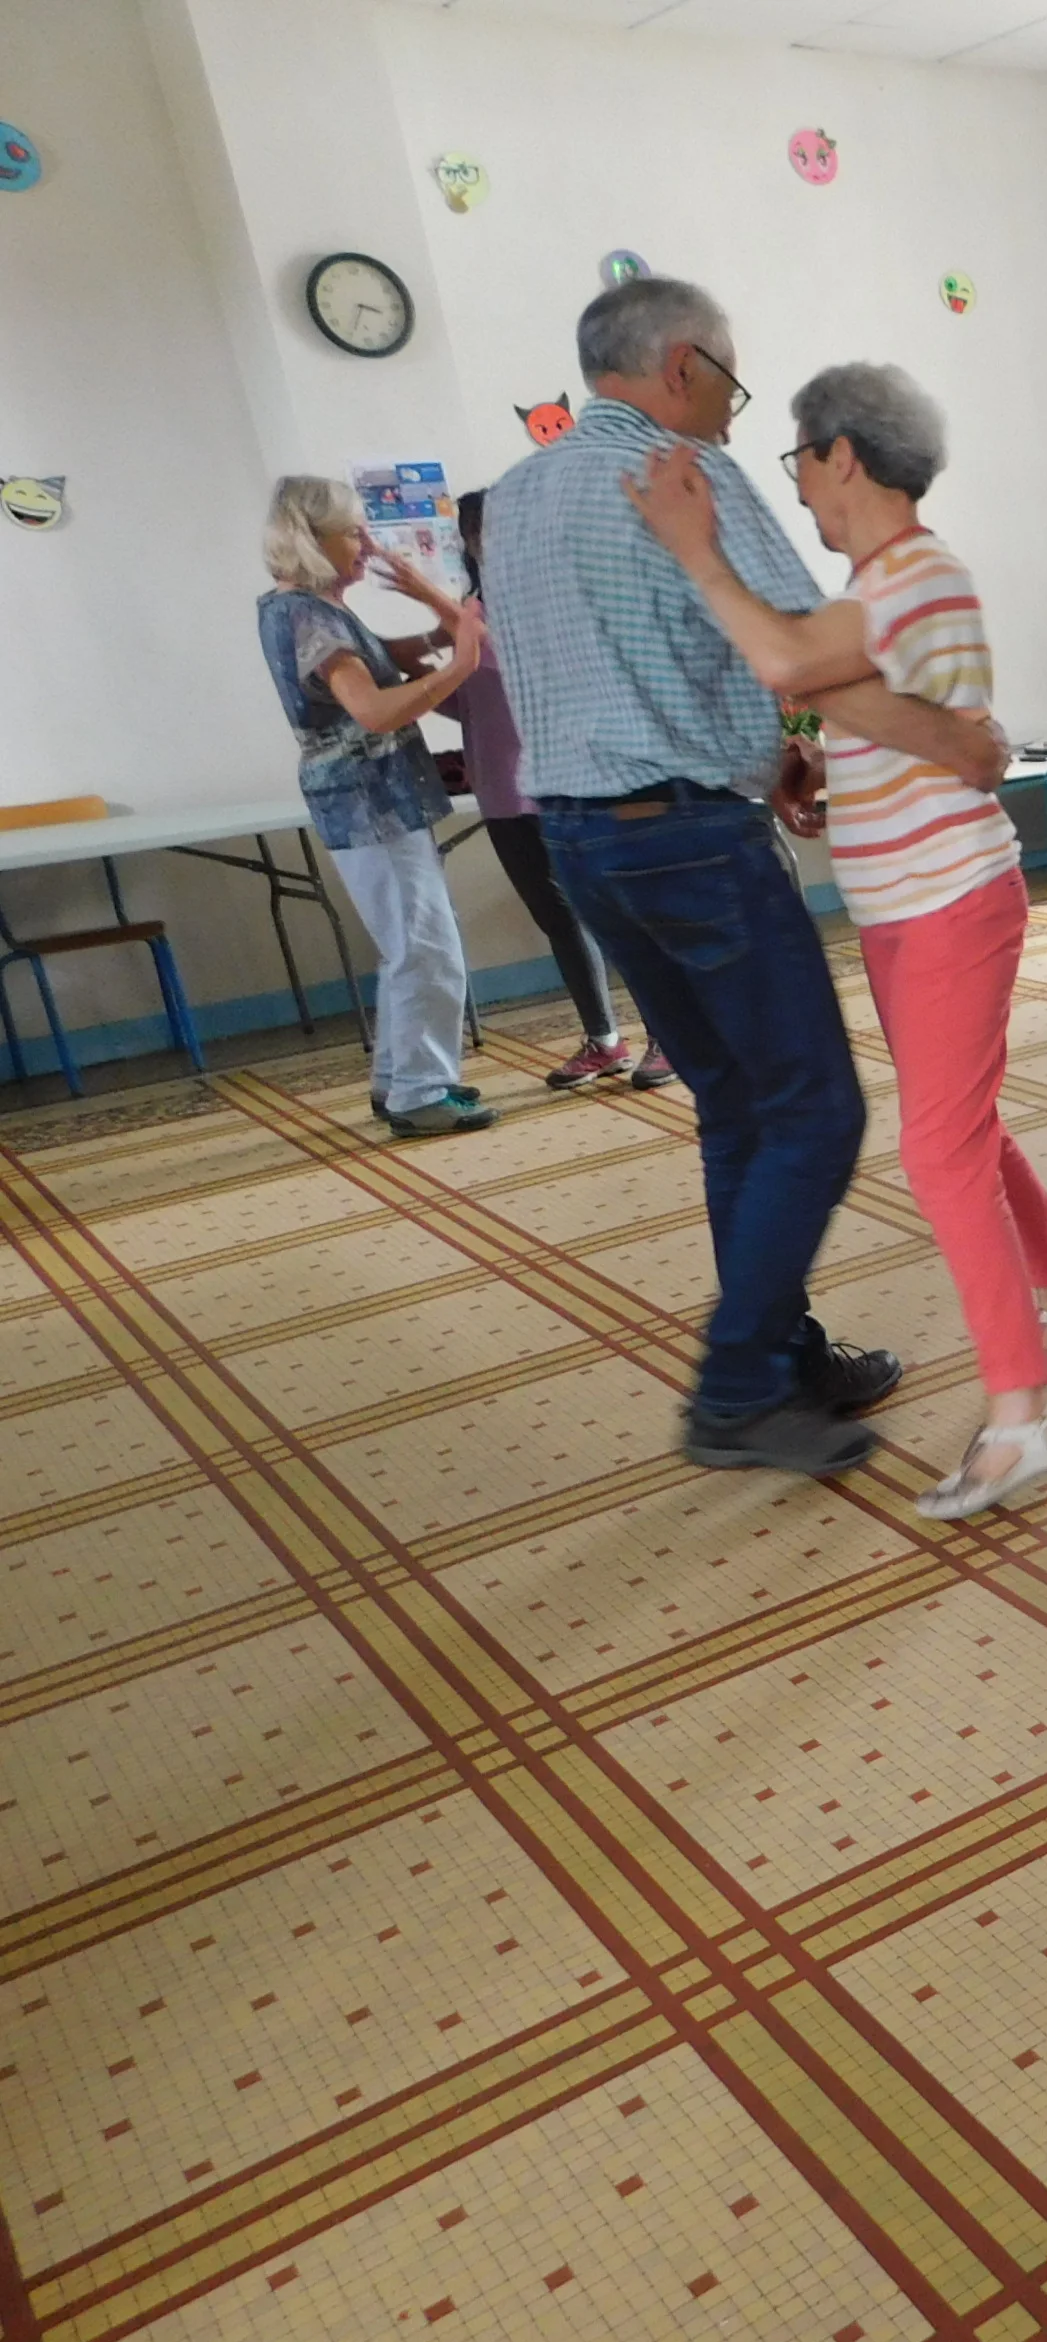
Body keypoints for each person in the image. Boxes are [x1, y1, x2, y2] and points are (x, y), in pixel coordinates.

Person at [480, 276, 997, 1477]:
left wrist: (768, 763)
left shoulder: (514, 495)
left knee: (737, 1105)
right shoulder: (681, 476)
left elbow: (604, 673)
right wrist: (953, 741)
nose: (730, 407)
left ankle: (778, 1357)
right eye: (729, 379)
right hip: (687, 843)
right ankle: (735, 1391)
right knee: (817, 1107)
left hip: (580, 843)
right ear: (680, 365)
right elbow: (803, 649)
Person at [621, 363, 1047, 1522]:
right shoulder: (882, 585)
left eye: (801, 464)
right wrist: (827, 760)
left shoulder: (916, 572)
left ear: (843, 456)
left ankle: (1023, 1413)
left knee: (937, 1153)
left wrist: (697, 548)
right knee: (963, 1124)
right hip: (900, 902)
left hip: (949, 901)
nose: (803, 493)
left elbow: (785, 659)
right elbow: (867, 706)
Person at [252, 476, 493, 1139]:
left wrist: (438, 628)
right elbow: (374, 708)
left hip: (371, 804)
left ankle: (401, 1081)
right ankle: (421, 1091)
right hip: (371, 805)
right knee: (427, 951)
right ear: (312, 539)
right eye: (352, 532)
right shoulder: (308, 616)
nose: (364, 544)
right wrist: (460, 663)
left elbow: (376, 667)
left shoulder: (308, 610)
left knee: (409, 949)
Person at [447, 488, 667, 1093]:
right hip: (501, 792)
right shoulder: (472, 607)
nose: (486, 544)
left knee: (615, 913)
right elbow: (472, 698)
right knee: (559, 920)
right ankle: (603, 1039)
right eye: (474, 534)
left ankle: (668, 1034)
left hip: (565, 784)